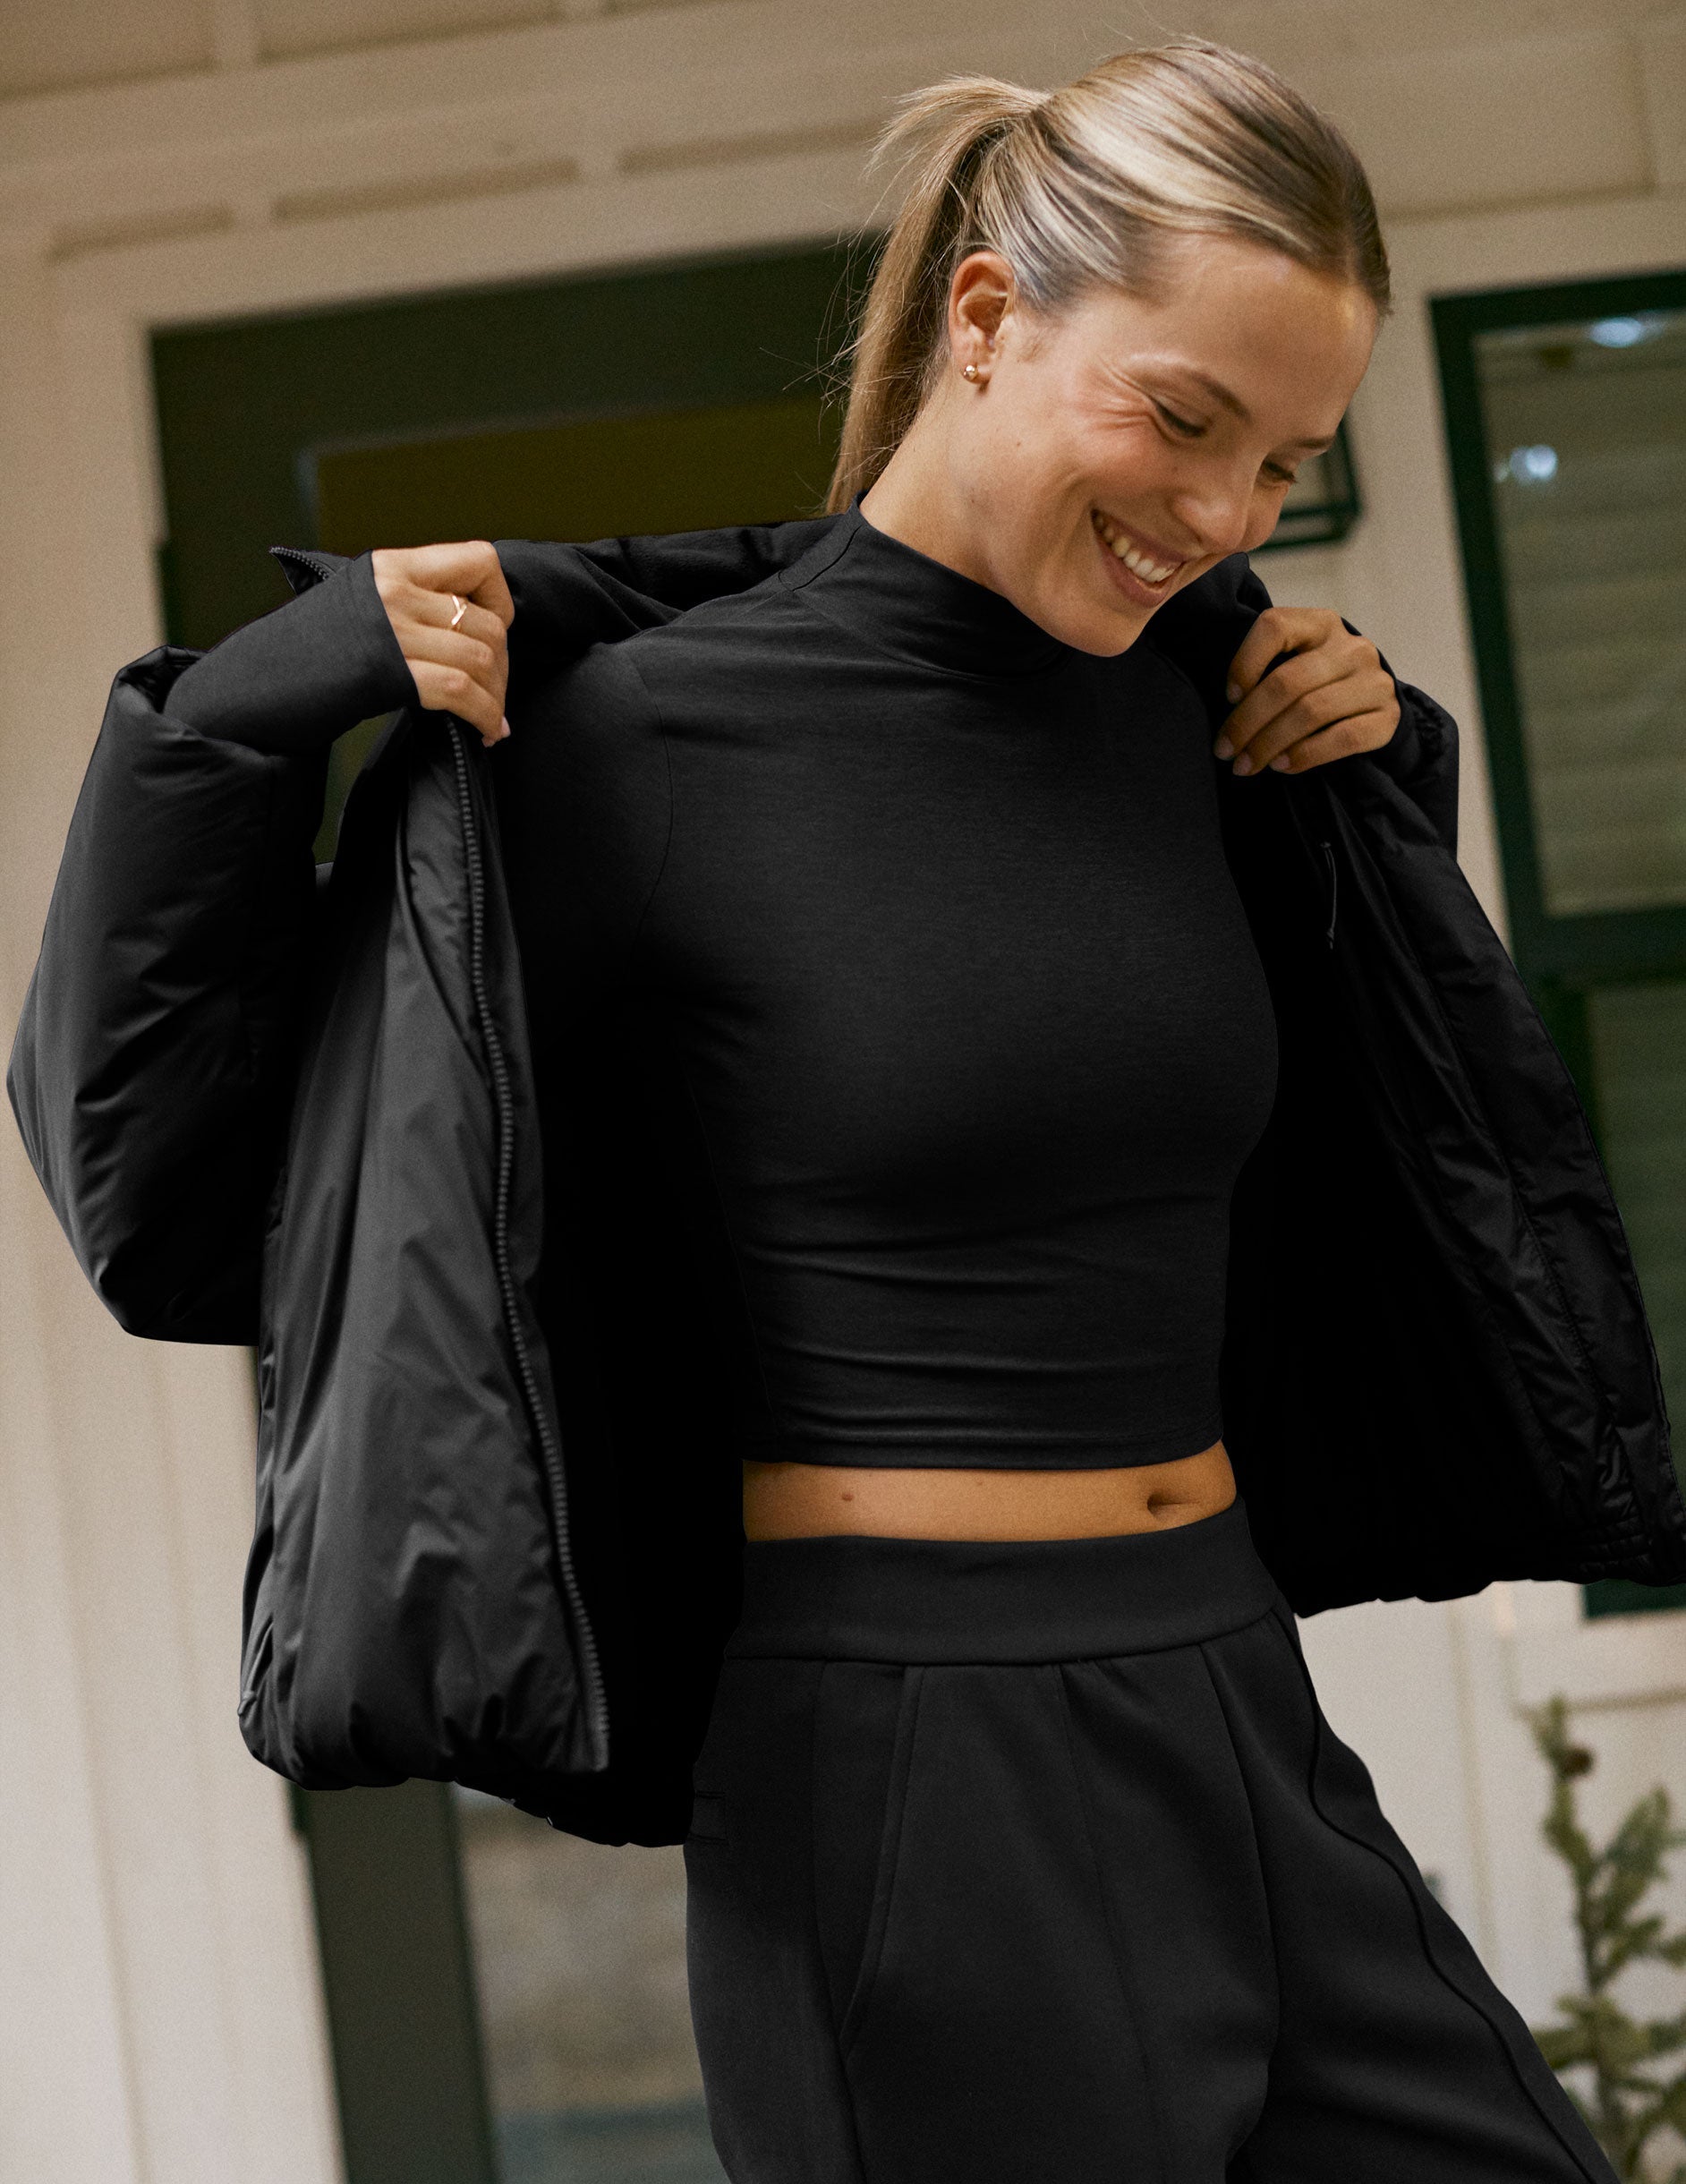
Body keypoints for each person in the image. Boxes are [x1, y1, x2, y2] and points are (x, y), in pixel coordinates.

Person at [10, 39, 1640, 2184]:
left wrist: (1378, 793)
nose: (1225, 511)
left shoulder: (1212, 730)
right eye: (1182, 418)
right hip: (914, 1770)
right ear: (986, 318)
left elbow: (1348, 1184)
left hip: (1240, 1700)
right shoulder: (647, 746)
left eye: (1282, 461)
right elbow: (181, 1197)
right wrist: (226, 728)